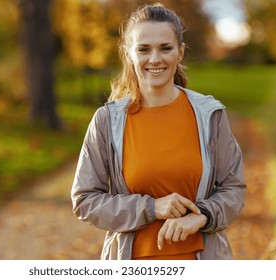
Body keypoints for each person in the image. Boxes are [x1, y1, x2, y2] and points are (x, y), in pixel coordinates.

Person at [71, 3, 246, 260]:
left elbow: (233, 187)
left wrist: (201, 216)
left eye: (165, 48)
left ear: (180, 53)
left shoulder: (210, 115)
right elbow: (85, 200)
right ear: (130, 54)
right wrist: (151, 208)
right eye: (144, 49)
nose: (155, 59)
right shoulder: (106, 121)